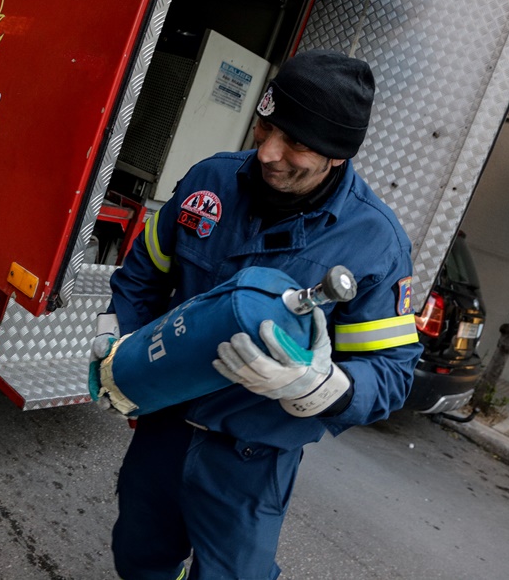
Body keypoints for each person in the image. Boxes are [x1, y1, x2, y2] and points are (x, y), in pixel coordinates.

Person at [92, 49, 422, 579]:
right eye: (266, 126)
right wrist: (119, 345)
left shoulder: (373, 246)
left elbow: (390, 374)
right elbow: (144, 274)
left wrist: (315, 384)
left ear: (336, 155)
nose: (268, 152)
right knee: (139, 556)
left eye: (294, 142)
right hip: (165, 425)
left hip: (252, 456)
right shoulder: (210, 184)